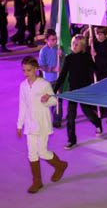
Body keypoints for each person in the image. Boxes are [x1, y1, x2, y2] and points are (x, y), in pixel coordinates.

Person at [17, 56, 68, 194]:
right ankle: (37, 181)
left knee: (42, 152)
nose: (26, 73)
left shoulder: (44, 84)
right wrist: (19, 125)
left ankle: (60, 165)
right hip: (29, 124)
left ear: (36, 69)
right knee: (32, 154)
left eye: (29, 70)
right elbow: (22, 105)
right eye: (24, 70)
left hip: (42, 123)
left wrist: (47, 99)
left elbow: (53, 102)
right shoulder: (23, 85)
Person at [54, 34, 102, 150]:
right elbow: (63, 75)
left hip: (84, 90)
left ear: (82, 47)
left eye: (77, 45)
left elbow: (95, 69)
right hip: (73, 91)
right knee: (71, 116)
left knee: (88, 112)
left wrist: (96, 57)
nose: (74, 46)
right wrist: (55, 89)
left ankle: (98, 123)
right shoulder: (69, 58)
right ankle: (72, 140)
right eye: (73, 44)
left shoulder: (86, 56)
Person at [39, 29, 63, 128]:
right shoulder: (43, 51)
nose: (54, 42)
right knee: (49, 100)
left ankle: (57, 119)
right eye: (52, 40)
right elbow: (41, 66)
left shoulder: (58, 49)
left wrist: (61, 56)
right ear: (46, 40)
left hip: (58, 79)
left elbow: (64, 60)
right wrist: (52, 69)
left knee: (57, 100)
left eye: (55, 39)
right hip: (48, 80)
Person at [91, 26, 107, 123]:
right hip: (98, 71)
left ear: (105, 34)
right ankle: (101, 111)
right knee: (99, 92)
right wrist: (90, 49)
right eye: (97, 34)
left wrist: (97, 55)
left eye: (101, 34)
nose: (99, 36)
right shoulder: (94, 43)